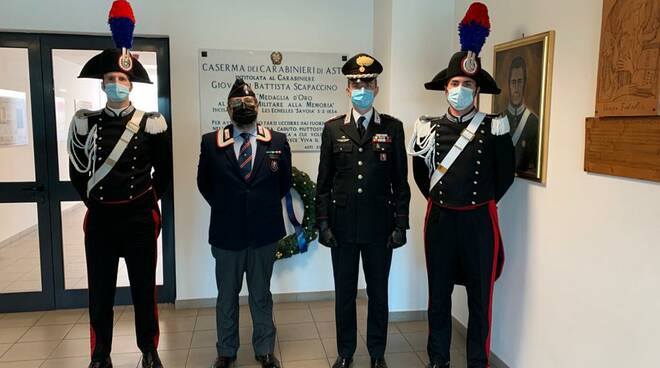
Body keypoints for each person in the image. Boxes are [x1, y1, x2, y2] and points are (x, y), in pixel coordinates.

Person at [407, 3, 515, 367]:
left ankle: (476, 362)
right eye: (455, 84)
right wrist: (444, 198)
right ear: (445, 87)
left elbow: (505, 174)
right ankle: (438, 359)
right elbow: (421, 174)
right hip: (441, 220)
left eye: (467, 84)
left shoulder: (494, 125)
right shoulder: (427, 126)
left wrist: (478, 200)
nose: (460, 90)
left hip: (479, 222)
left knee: (480, 298)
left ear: (477, 88)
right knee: (437, 295)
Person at [66, 2, 171, 367]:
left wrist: (146, 201)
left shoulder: (152, 122)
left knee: (144, 291)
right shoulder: (85, 122)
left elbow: (165, 173)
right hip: (102, 222)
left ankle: (149, 350)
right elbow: (78, 172)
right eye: (110, 80)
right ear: (102, 84)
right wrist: (96, 203)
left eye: (122, 80)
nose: (116, 85)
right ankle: (100, 353)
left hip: (139, 220)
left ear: (131, 85)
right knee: (101, 293)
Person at [315, 53, 411, 368]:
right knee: (344, 294)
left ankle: (377, 353)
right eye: (356, 82)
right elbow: (323, 184)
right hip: (341, 228)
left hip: (379, 229)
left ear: (377, 87)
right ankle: (345, 353)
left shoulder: (393, 129)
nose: (362, 87)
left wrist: (400, 226)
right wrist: (323, 224)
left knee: (378, 294)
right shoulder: (332, 129)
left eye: (368, 82)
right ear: (347, 88)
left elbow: (401, 183)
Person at [197, 78, 292, 368]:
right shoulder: (211, 142)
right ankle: (227, 351)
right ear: (227, 109)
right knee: (226, 295)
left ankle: (264, 350)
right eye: (237, 104)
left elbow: (284, 182)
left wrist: (257, 207)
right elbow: (204, 184)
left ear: (258, 106)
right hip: (227, 233)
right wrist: (230, 208)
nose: (244, 108)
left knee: (261, 293)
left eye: (249, 103)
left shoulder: (276, 141)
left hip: (264, 232)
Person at [505, 56, 540, 174]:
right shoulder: (499, 119)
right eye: (513, 82)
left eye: (520, 81)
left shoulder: (533, 121)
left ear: (524, 83)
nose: (516, 88)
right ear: (509, 84)